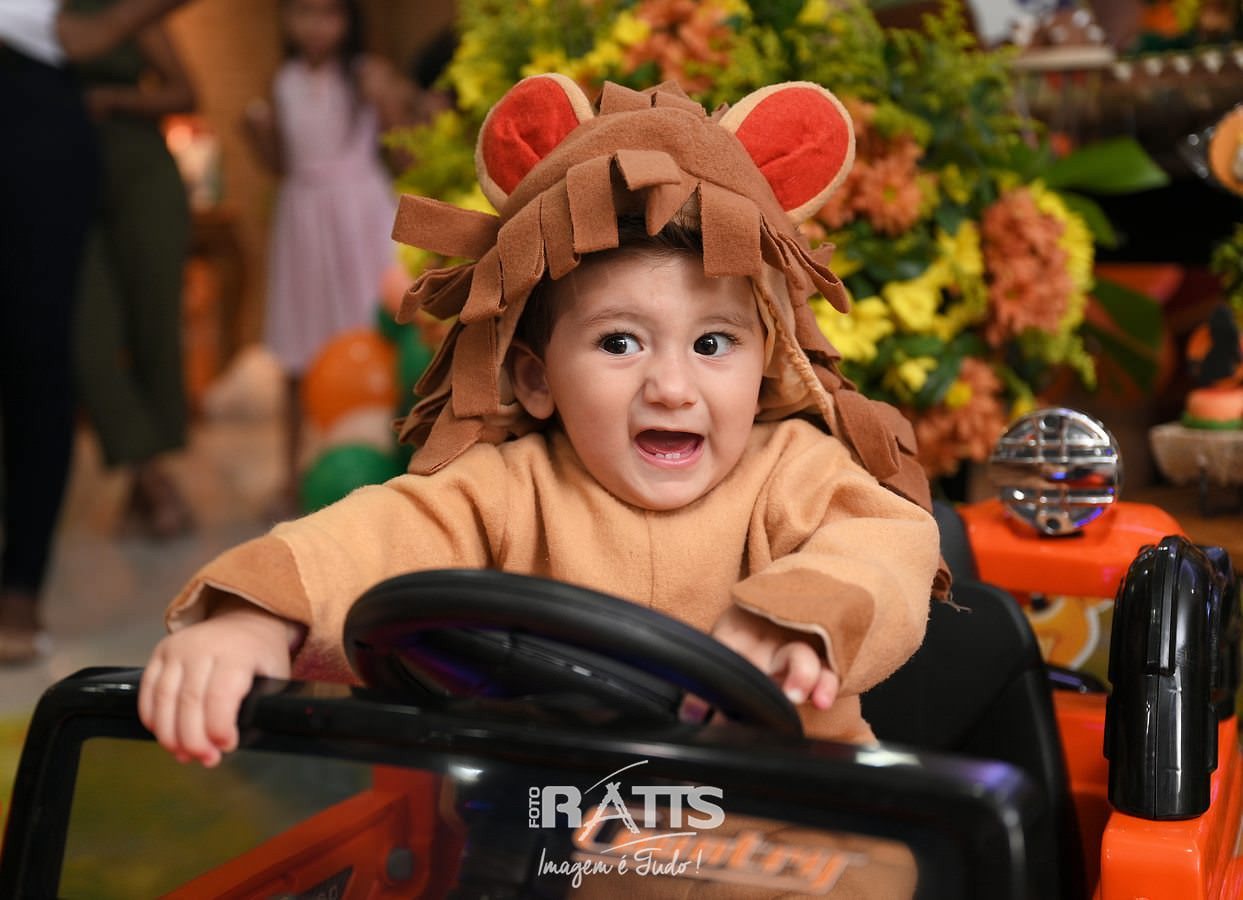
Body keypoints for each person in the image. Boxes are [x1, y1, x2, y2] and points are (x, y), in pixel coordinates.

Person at [139, 75, 951, 768]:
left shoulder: (791, 470)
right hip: (555, 840)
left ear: (766, 356)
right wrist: (252, 617)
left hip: (801, 834)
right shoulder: (504, 491)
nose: (672, 387)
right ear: (535, 379)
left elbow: (885, 544)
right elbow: (370, 539)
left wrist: (805, 615)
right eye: (619, 342)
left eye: (712, 343)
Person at [0, 0, 193, 664]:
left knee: (48, 347)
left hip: (39, 109)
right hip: (65, 136)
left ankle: (20, 586)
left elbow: (182, 88)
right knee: (81, 342)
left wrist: (103, 32)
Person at [241, 0, 411, 517]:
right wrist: (256, 132)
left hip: (359, 214)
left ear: (348, 19)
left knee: (372, 336)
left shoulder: (366, 74)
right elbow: (280, 163)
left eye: (328, 13)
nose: (315, 26)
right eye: (302, 12)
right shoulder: (282, 81)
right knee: (300, 344)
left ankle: (386, 471)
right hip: (304, 221)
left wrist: (388, 104)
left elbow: (404, 154)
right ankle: (291, 475)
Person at [71, 0, 198, 538]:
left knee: (155, 330)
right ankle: (152, 477)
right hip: (59, 185)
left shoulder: (123, 9)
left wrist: (113, 99)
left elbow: (186, 93)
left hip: (141, 177)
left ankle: (145, 480)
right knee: (84, 340)